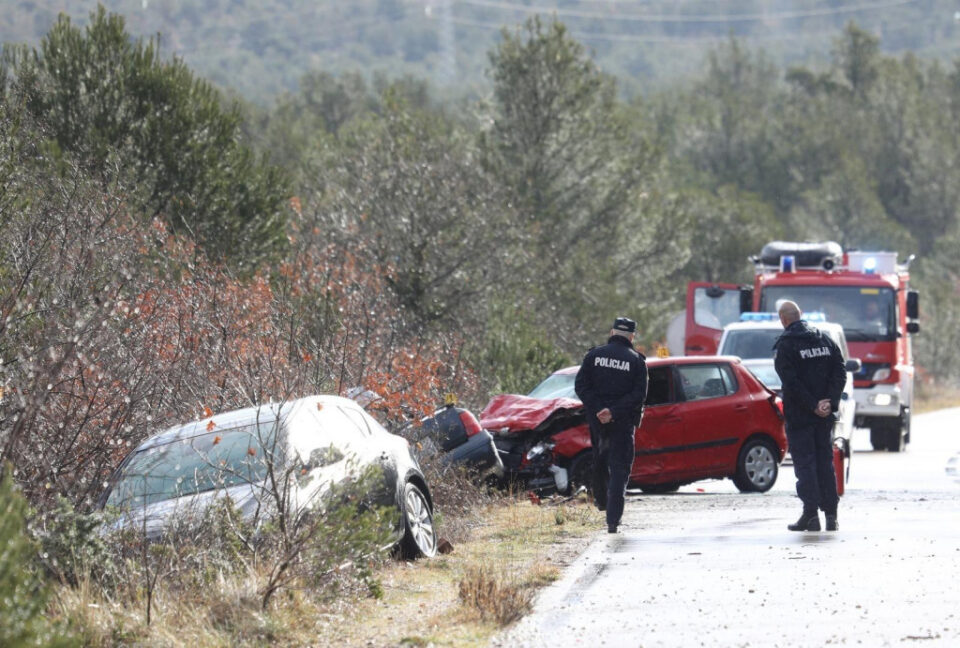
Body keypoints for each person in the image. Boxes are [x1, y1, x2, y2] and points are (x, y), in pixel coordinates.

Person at [773, 301, 848, 532]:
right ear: (801, 315)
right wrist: (830, 401)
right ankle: (832, 516)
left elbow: (791, 383)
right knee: (825, 463)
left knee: (805, 464)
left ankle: (811, 515)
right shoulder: (824, 339)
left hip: (801, 415)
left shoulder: (786, 346)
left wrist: (812, 405)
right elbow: (840, 371)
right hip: (823, 415)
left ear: (783, 320)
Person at [574, 317, 648, 534]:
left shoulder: (593, 355)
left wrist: (599, 409)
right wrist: (613, 412)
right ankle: (612, 520)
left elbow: (581, 385)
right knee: (619, 469)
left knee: (599, 458)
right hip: (622, 423)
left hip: (598, 422)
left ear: (612, 331)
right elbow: (639, 395)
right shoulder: (636, 361)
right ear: (632, 336)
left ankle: (601, 500)